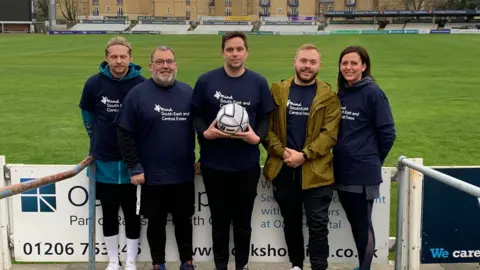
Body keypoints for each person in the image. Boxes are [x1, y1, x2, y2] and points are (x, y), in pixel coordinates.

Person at [190, 31, 275, 270]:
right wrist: (204, 133)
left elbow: (266, 117)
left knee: (242, 221)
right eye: (230, 49)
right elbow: (194, 114)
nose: (235, 54)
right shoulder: (206, 80)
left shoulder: (258, 82)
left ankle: (242, 265)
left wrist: (256, 137)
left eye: (239, 49)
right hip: (214, 165)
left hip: (246, 165)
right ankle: (220, 266)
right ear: (222, 53)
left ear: (246, 52)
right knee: (218, 220)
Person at [114, 45, 196, 270]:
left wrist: (202, 158)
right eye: (159, 62)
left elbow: (203, 129)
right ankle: (158, 263)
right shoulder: (138, 94)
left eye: (169, 61)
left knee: (184, 221)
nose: (165, 66)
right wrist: (134, 167)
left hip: (183, 173)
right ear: (151, 66)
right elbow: (124, 132)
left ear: (175, 65)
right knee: (156, 222)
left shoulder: (188, 93)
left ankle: (186, 262)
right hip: (151, 175)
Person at [262, 44, 341, 270]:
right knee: (292, 223)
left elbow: (330, 135)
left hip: (317, 172)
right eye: (303, 61)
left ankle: (318, 267)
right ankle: (296, 265)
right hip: (284, 168)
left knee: (318, 225)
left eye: (312, 62)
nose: (307, 66)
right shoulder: (277, 90)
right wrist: (284, 152)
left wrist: (304, 155)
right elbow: (267, 129)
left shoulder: (328, 95)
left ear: (319, 65)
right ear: (294, 62)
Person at [78, 36, 146, 270]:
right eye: (114, 56)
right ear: (106, 58)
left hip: (133, 162)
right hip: (104, 160)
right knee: (108, 212)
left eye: (123, 56)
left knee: (132, 213)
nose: (119, 61)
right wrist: (98, 139)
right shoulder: (93, 84)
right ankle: (113, 261)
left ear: (130, 57)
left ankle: (130, 261)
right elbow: (87, 116)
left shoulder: (141, 84)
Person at [333, 46, 396, 270]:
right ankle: (362, 265)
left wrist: (372, 159)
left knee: (362, 224)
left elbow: (388, 132)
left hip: (362, 171)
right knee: (355, 223)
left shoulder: (373, 92)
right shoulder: (343, 92)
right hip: (342, 169)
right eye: (344, 63)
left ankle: (365, 268)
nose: (348, 67)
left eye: (353, 63)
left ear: (364, 66)